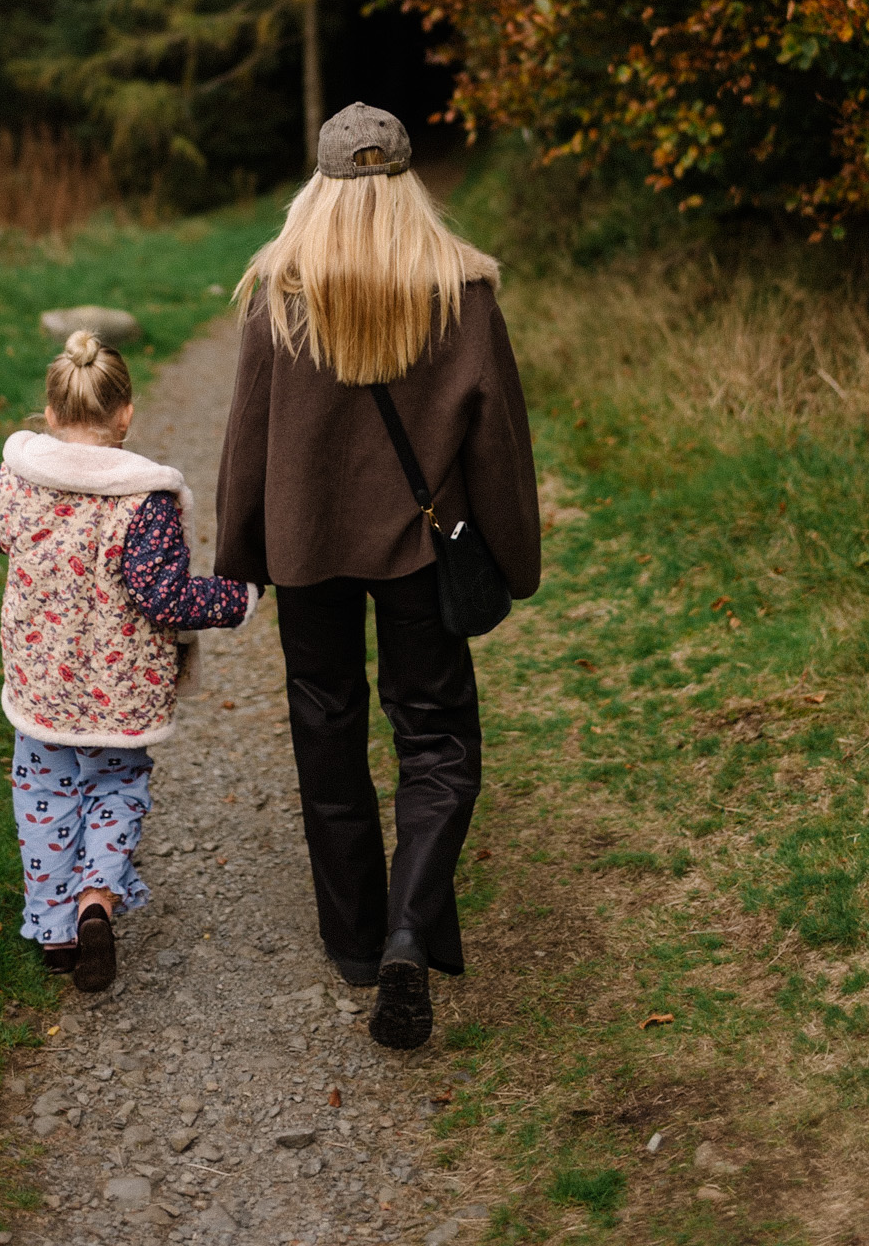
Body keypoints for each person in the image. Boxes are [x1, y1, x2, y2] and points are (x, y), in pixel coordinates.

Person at [214, 103, 541, 1050]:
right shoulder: (462, 292)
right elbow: (500, 442)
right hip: (419, 545)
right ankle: (410, 928)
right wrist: (512, 555)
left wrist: (242, 552)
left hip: (307, 544)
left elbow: (248, 439)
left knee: (326, 727)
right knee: (436, 737)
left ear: (319, 186)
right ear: (407, 184)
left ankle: (356, 942)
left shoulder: (278, 292)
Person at [0, 330, 258, 993]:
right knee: (115, 789)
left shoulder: (15, 480)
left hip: (43, 683)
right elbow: (162, 596)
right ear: (125, 414)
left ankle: (53, 932)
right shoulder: (146, 502)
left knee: (43, 796)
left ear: (50, 414)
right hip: (119, 693)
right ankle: (95, 903)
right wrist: (236, 598)